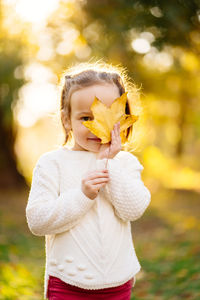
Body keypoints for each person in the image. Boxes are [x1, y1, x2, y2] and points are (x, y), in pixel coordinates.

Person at [26, 61, 151, 300]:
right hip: (67, 283)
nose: (96, 127)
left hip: (118, 281)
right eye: (85, 118)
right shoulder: (52, 163)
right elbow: (37, 221)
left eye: (106, 117)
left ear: (122, 118)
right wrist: (82, 196)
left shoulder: (124, 163)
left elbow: (133, 209)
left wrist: (108, 163)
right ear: (66, 120)